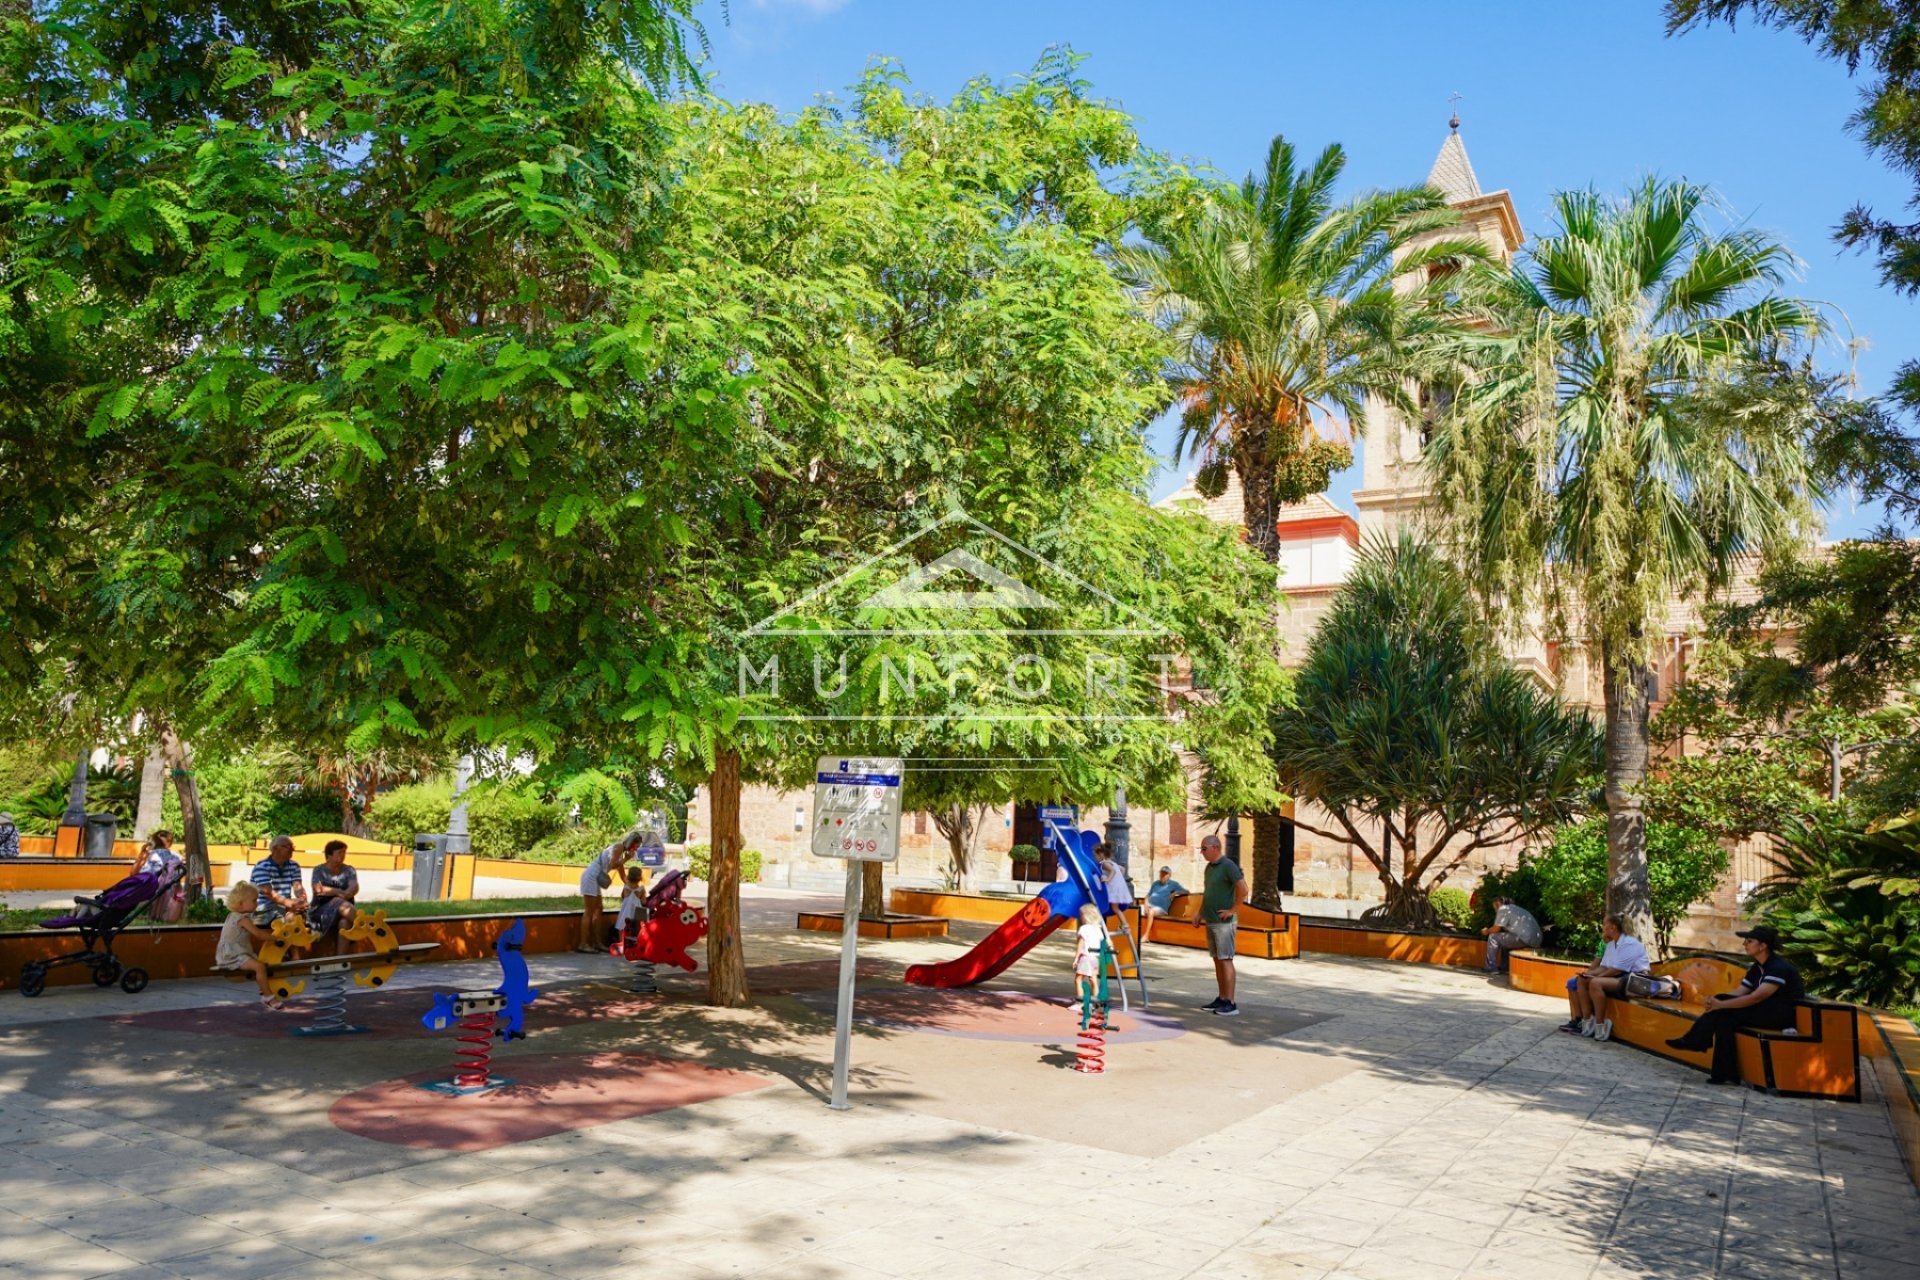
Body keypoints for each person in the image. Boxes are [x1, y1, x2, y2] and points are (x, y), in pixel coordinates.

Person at [1665, 925, 1805, 1085]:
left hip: (1781, 1016)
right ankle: (1725, 1073)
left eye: (1749, 941)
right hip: (1765, 1010)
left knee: (1725, 1011)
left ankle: (1695, 1041)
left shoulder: (1777, 967)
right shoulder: (1757, 967)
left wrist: (1721, 1005)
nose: (1744, 944)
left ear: (1763, 945)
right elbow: (1740, 992)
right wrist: (1715, 1000)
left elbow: (1756, 997)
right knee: (1725, 1018)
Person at [1560, 915, 1651, 1041]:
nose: (1602, 927)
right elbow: (1604, 967)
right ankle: (1587, 1020)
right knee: (1582, 980)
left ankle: (1601, 1024)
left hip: (1635, 980)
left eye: (1604, 924)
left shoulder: (1630, 944)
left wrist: (1594, 977)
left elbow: (1617, 970)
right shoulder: (1610, 945)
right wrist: (1588, 975)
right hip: (1619, 977)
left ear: (1613, 927)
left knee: (1595, 983)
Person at [1190, 834, 1247, 1015]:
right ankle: (1221, 998)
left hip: (1224, 923)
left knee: (1225, 959)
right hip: (1211, 920)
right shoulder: (1209, 868)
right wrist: (1200, 912)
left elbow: (1243, 889)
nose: (1202, 852)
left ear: (1215, 847)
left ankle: (1230, 1002)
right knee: (1217, 960)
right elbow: (1209, 892)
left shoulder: (1228, 866)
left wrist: (1232, 910)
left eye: (1204, 849)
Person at [212, 882, 286, 1010]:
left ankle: (264, 990)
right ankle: (268, 997)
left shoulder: (235, 915)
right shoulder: (242, 919)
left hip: (235, 953)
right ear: (241, 903)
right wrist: (277, 938)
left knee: (262, 965)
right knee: (260, 967)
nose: (256, 903)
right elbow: (259, 934)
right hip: (232, 956)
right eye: (254, 900)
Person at [578, 830, 641, 953]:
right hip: (591, 877)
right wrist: (626, 859)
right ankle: (583, 943)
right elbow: (613, 865)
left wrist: (634, 888)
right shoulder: (618, 847)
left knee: (598, 909)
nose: (635, 850)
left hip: (595, 879)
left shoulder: (620, 854)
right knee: (589, 911)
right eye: (636, 847)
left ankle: (597, 943)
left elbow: (623, 876)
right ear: (631, 843)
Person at [308, 840, 360, 956]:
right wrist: (340, 892)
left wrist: (345, 893)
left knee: (345, 923)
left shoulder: (349, 870)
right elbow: (318, 889)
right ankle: (366, 927)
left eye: (344, 852)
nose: (343, 855)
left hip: (344, 912)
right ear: (329, 855)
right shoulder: (319, 870)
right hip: (321, 910)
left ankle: (340, 960)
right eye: (339, 853)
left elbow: (354, 886)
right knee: (338, 901)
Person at [249, 836, 307, 925]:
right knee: (291, 921)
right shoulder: (262, 866)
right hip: (265, 907)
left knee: (303, 916)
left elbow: (298, 887)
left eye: (292, 846)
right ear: (275, 849)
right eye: (288, 846)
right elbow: (269, 893)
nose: (292, 849)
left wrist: (302, 900)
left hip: (285, 906)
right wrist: (290, 904)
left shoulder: (294, 865)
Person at [1481, 895, 1541, 974]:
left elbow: (1496, 929)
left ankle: (1490, 967)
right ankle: (1505, 968)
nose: (1495, 911)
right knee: (1504, 939)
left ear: (1497, 904)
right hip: (1536, 940)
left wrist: (1487, 931)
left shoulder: (1503, 909)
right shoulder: (1515, 909)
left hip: (1524, 939)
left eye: (1495, 908)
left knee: (1493, 937)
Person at [140, 830, 188, 923]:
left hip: (152, 888)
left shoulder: (151, 855)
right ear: (169, 843)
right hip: (169, 890)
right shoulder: (177, 857)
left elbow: (144, 874)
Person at [1140, 866, 1189, 943]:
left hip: (1161, 909)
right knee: (1134, 909)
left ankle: (1146, 936)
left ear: (1169, 875)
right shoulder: (1155, 883)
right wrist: (1145, 905)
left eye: (1164, 874)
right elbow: (1147, 896)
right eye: (1161, 873)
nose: (1162, 875)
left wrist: (1175, 892)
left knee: (1151, 912)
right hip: (1149, 905)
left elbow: (1186, 891)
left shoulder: (1173, 884)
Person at [1072, 903, 1105, 1007]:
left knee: (1078, 979)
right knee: (1093, 979)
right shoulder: (1098, 929)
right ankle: (1096, 1002)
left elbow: (1080, 945)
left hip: (1085, 957)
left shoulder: (1084, 929)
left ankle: (1080, 1002)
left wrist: (1076, 958)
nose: (1080, 917)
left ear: (1086, 916)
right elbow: (1101, 942)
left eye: (1081, 915)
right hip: (1095, 958)